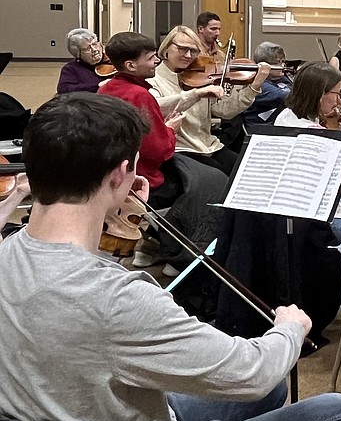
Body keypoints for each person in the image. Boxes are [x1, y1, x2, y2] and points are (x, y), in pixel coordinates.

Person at [0, 92, 341, 421]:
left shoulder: (7, 253)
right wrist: (289, 329)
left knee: (270, 394)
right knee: (338, 414)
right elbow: (252, 371)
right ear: (121, 173)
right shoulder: (122, 298)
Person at [98, 33, 229, 277]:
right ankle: (179, 254)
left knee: (206, 174)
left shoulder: (108, 88)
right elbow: (159, 151)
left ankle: (154, 245)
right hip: (141, 176)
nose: (156, 62)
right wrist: (170, 130)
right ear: (131, 65)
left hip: (114, 170)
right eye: (151, 58)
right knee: (210, 184)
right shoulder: (140, 95)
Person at [275, 61, 341, 242]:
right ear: (320, 95)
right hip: (314, 210)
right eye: (338, 93)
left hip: (297, 203)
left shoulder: (286, 116)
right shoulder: (316, 133)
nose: (340, 101)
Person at [151, 25, 270, 176]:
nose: (188, 55)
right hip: (181, 150)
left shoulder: (201, 76)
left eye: (194, 51)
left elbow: (225, 111)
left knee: (249, 172)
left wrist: (254, 87)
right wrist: (197, 94)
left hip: (209, 145)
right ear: (166, 48)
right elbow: (156, 107)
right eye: (182, 49)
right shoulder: (154, 80)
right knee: (221, 178)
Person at [243, 42, 294, 125]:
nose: (283, 65)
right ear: (264, 64)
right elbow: (288, 98)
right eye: (277, 62)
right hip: (261, 129)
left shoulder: (284, 79)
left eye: (283, 61)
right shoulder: (259, 84)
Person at [56, 28, 109, 94]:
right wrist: (97, 86)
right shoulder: (71, 68)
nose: (94, 50)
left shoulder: (114, 60)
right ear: (77, 54)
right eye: (87, 48)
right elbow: (64, 89)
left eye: (95, 44)